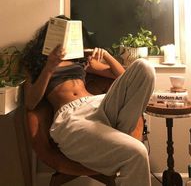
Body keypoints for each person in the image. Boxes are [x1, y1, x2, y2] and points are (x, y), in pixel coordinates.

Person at [22, 15, 156, 186]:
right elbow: (31, 103)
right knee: (137, 152)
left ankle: (119, 136)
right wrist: (49, 66)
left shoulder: (81, 59)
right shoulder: (38, 64)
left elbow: (126, 79)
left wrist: (106, 55)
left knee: (145, 67)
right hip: (72, 117)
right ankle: (122, 141)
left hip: (98, 105)